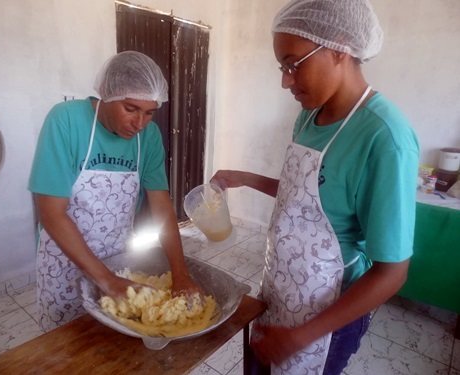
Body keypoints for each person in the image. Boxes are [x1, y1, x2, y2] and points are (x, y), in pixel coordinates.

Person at [211, 0, 419, 374]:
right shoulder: (308, 115)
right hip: (278, 290)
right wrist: (247, 179)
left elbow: (392, 272)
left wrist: (301, 336)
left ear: (339, 47)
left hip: (327, 316)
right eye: (282, 67)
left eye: (293, 64)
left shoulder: (384, 138)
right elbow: (306, 196)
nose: (285, 81)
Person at [29, 51, 202, 332]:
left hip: (118, 260)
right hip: (64, 264)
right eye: (130, 108)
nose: (140, 124)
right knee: (67, 345)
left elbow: (161, 206)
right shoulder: (66, 122)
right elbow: (51, 213)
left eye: (150, 112)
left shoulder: (148, 137)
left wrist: (180, 274)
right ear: (108, 93)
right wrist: (106, 281)